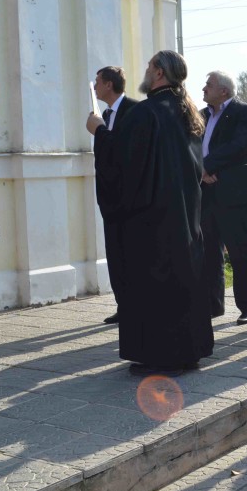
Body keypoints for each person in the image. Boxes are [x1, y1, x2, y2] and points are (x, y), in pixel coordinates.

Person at [87, 50, 213, 375]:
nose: (145, 71)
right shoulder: (187, 112)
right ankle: (189, 352)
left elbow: (123, 161)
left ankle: (162, 357)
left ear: (158, 73)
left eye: (149, 66)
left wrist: (99, 131)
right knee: (183, 282)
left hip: (152, 220)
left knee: (156, 288)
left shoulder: (146, 112)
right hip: (185, 215)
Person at [199, 71, 247, 325]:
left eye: (209, 85)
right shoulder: (201, 116)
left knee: (240, 251)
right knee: (209, 251)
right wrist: (200, 170)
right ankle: (212, 305)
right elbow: (191, 145)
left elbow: (240, 145)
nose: (203, 88)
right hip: (206, 191)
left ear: (223, 91)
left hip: (234, 193)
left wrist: (206, 166)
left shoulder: (244, 112)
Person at [92, 66, 138, 325]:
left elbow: (124, 153)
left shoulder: (134, 110)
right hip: (109, 198)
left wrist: (99, 131)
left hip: (130, 198)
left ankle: (137, 306)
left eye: (97, 81)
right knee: (115, 255)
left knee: (132, 254)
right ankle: (124, 305)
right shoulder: (106, 114)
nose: (95, 86)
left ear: (109, 84)